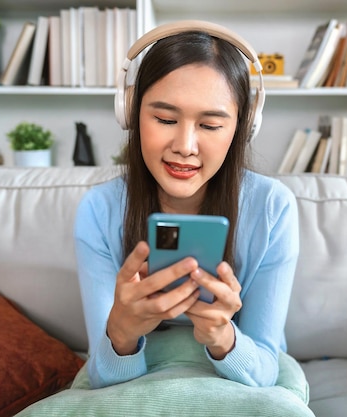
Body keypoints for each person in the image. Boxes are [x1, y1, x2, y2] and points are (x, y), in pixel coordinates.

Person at [74, 21, 299, 390]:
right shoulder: (99, 210)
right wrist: (121, 335)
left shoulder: (272, 209)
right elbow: (102, 378)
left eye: (210, 125)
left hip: (234, 378)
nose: (185, 146)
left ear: (242, 128)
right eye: (164, 119)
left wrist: (223, 337)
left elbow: (264, 371)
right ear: (129, 112)